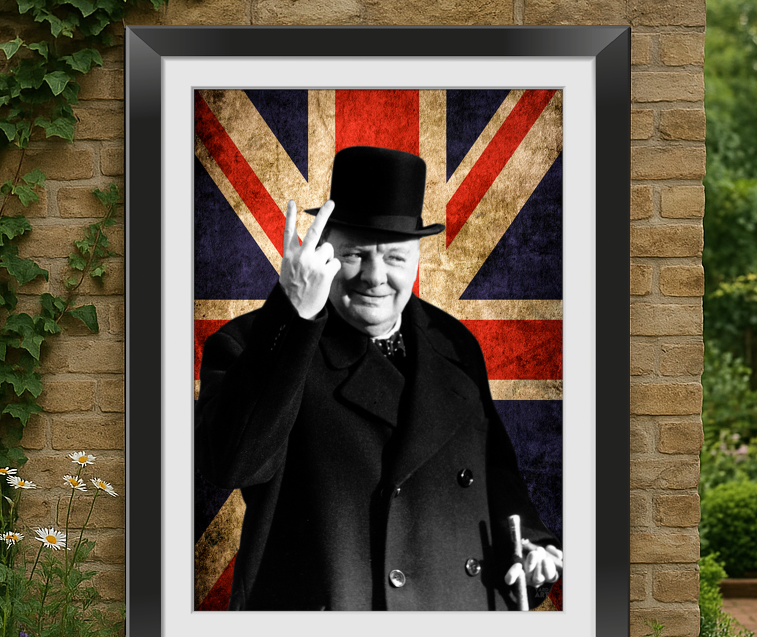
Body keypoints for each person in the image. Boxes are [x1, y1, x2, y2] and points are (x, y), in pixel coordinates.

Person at [196, 145, 562, 611]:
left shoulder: (455, 344)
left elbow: (494, 471)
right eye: (355, 254)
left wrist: (527, 545)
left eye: (395, 258)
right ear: (324, 252)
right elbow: (230, 465)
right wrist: (293, 315)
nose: (375, 277)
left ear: (417, 260)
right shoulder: (253, 342)